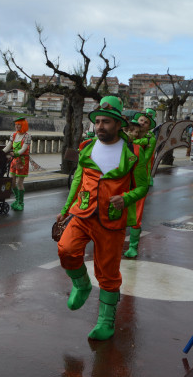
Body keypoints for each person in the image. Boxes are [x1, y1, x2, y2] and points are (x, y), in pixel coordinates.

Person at [54, 96, 149, 340]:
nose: (100, 127)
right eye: (97, 122)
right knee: (65, 249)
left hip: (112, 220)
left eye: (106, 122)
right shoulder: (87, 146)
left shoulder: (134, 152)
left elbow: (143, 187)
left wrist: (126, 198)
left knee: (108, 272)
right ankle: (82, 284)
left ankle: (106, 321)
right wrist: (66, 208)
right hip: (82, 213)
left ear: (119, 124)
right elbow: (77, 178)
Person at [124, 109, 157, 258]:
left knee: (136, 215)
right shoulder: (125, 139)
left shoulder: (150, 139)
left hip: (139, 179)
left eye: (146, 122)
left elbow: (143, 159)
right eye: (141, 120)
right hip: (124, 179)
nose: (142, 123)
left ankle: (133, 246)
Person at [3, 116, 31, 211]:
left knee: (19, 182)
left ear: (23, 125)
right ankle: (17, 199)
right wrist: (1, 152)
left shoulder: (27, 136)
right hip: (14, 160)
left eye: (19, 125)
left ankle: (21, 202)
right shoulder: (14, 135)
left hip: (22, 161)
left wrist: (16, 153)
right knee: (11, 181)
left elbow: (24, 149)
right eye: (16, 125)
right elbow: (8, 146)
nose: (17, 127)